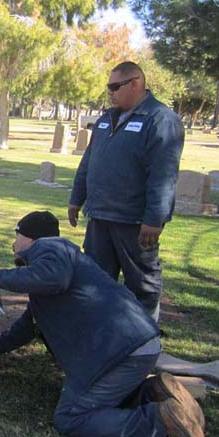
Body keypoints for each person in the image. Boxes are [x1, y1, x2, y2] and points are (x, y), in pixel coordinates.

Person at [0, 211, 206, 437]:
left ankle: (160, 421)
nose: (13, 245)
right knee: (99, 399)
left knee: (72, 417)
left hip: (120, 352)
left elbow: (52, 278)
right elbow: (28, 325)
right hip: (135, 347)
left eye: (15, 237)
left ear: (26, 236)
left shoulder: (50, 247)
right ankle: (153, 393)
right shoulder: (54, 267)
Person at [69, 61, 184, 321]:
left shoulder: (160, 119)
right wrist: (77, 198)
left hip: (133, 221)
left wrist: (155, 219)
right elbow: (89, 161)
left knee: (142, 285)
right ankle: (102, 337)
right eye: (108, 87)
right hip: (100, 216)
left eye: (115, 86)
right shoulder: (105, 119)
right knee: (95, 282)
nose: (110, 92)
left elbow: (163, 174)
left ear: (135, 83)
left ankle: (143, 341)